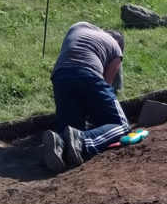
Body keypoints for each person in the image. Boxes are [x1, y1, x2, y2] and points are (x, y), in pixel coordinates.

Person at [42, 22, 130, 173]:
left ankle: (60, 141)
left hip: (60, 77)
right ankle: (82, 140)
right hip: (89, 75)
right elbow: (106, 84)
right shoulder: (115, 49)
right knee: (121, 125)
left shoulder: (78, 27)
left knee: (71, 129)